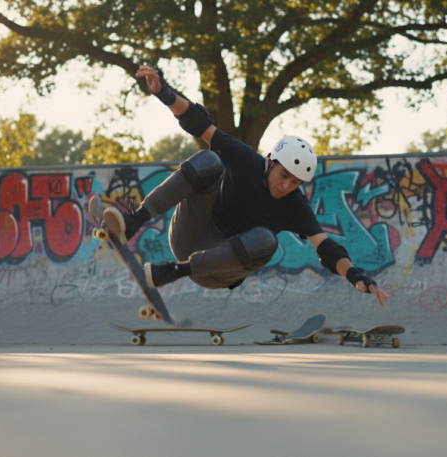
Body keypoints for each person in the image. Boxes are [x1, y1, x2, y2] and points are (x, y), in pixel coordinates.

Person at [102, 65, 389, 306]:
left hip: (216, 269)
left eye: (295, 182)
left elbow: (326, 248)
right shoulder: (244, 159)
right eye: (283, 175)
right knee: (209, 160)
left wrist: (357, 276)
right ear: (270, 161)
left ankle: (173, 272)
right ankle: (133, 221)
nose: (286, 185)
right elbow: (199, 123)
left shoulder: (295, 206)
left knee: (267, 239)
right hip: (191, 234)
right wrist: (164, 93)